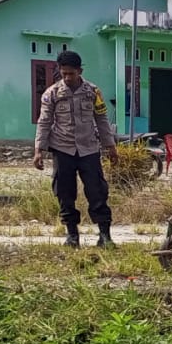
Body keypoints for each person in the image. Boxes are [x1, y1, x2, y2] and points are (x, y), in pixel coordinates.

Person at [33, 50, 119, 248]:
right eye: (63, 73)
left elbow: (102, 119)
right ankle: (72, 235)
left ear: (80, 70)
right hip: (62, 149)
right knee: (65, 192)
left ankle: (104, 236)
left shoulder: (93, 92)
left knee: (97, 191)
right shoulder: (52, 93)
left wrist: (110, 146)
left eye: (71, 73)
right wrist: (39, 150)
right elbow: (44, 121)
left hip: (89, 148)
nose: (67, 77)